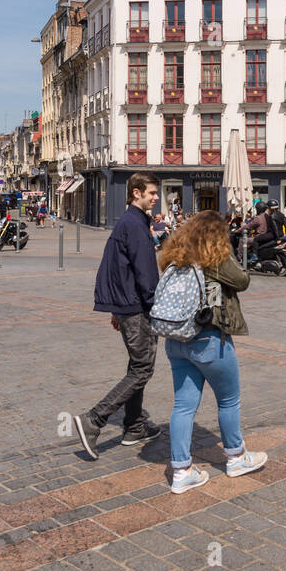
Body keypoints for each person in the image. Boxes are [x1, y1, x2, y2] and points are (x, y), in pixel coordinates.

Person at [157, 211, 267, 493]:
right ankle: (236, 457)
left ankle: (181, 471)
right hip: (208, 338)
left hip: (176, 339)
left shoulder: (175, 256)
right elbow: (242, 280)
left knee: (183, 405)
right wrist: (227, 249)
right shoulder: (214, 257)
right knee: (228, 400)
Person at [75, 172, 164, 459]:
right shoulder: (135, 225)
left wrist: (116, 306)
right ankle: (94, 419)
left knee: (137, 365)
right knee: (142, 369)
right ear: (136, 192)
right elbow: (145, 274)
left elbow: (116, 267)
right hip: (137, 307)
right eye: (151, 193)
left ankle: (134, 425)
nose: (156, 197)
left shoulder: (129, 221)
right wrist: (157, 309)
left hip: (127, 305)